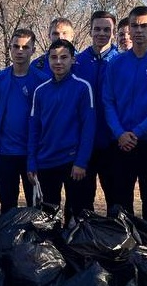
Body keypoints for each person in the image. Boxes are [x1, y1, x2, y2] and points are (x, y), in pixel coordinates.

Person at [102, 6, 147, 226]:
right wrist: (119, 133)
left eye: (144, 26)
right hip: (121, 143)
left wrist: (138, 132)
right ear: (129, 29)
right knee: (120, 202)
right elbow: (108, 101)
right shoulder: (116, 63)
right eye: (135, 26)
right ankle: (124, 243)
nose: (139, 30)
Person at [28, 39, 96, 214]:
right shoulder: (40, 91)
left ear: (73, 59)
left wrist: (81, 162)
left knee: (76, 214)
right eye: (54, 57)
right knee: (48, 215)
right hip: (46, 162)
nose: (58, 62)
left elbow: (88, 129)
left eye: (64, 57)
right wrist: (31, 162)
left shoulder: (82, 88)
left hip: (72, 162)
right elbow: (34, 129)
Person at [0, 28, 49, 212]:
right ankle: (8, 231)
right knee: (7, 206)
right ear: (10, 48)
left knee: (36, 206)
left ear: (33, 50)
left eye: (25, 47)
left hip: (33, 154)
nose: (20, 51)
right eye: (16, 46)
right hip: (5, 153)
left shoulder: (42, 80)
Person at [74, 11, 119, 213]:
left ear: (113, 32)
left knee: (116, 201)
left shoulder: (121, 61)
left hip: (113, 143)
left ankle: (117, 232)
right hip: (84, 144)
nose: (102, 33)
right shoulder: (77, 62)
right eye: (97, 29)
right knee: (82, 200)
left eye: (107, 29)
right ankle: (84, 233)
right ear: (90, 30)